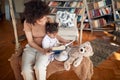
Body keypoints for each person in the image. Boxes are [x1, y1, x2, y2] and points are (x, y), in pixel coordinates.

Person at [21, 0, 70, 80]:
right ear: (33, 19)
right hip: (32, 48)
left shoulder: (49, 20)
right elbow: (30, 41)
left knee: (39, 67)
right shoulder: (27, 22)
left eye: (45, 17)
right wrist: (41, 50)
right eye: (41, 20)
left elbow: (54, 34)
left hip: (47, 47)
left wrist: (63, 40)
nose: (44, 21)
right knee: (25, 70)